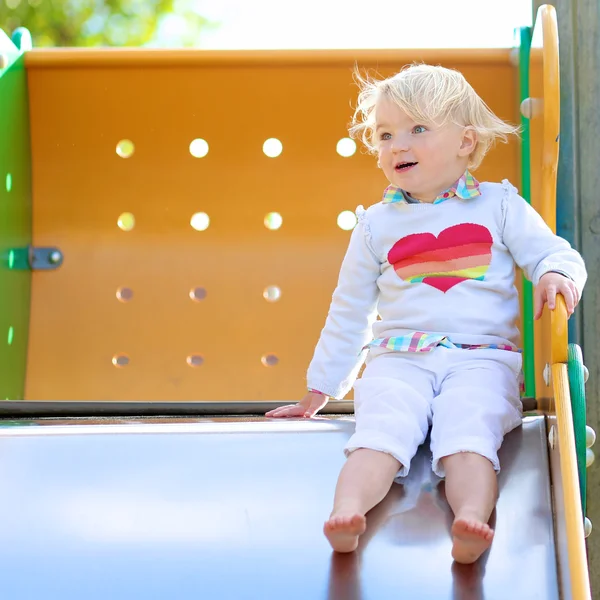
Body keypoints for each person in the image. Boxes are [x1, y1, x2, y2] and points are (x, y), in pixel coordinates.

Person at [265, 63, 587, 564]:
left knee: (469, 434)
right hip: (399, 358)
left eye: (417, 129)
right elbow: (349, 310)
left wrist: (554, 275)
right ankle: (346, 514)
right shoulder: (376, 224)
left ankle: (471, 518)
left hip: (482, 359)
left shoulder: (500, 205)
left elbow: (554, 253)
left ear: (465, 141)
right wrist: (321, 389)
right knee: (378, 435)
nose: (397, 145)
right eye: (385, 134)